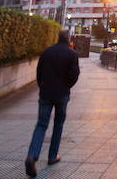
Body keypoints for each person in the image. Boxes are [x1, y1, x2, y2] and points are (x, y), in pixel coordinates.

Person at [25, 29, 80, 177]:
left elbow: (39, 72)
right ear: (68, 38)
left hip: (46, 93)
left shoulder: (47, 52)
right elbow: (74, 75)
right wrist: (66, 86)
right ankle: (52, 155)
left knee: (41, 125)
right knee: (58, 124)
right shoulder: (71, 54)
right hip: (62, 94)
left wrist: (42, 86)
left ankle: (32, 155)